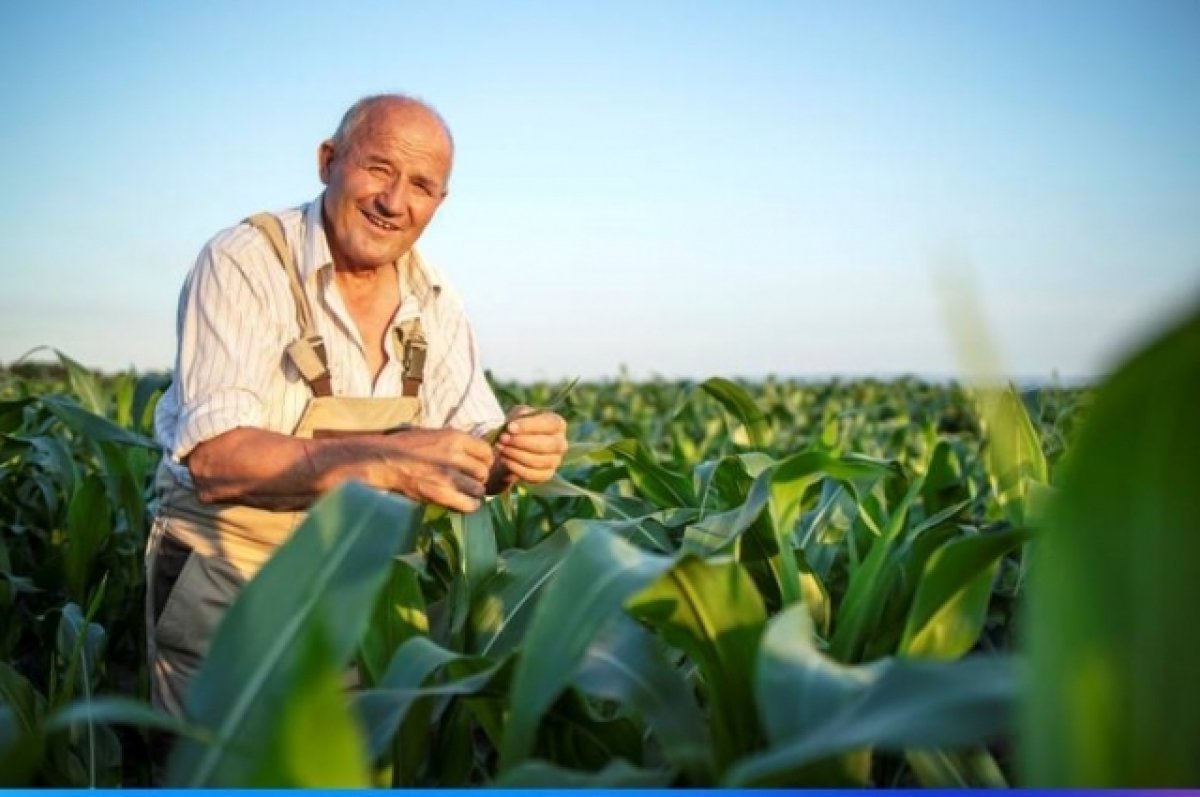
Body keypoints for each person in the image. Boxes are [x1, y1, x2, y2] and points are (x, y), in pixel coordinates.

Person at [144, 94, 568, 720]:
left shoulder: (435, 300)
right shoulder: (246, 261)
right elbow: (217, 460)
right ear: (328, 161)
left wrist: (515, 453)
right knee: (219, 768)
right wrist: (389, 460)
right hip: (227, 579)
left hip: (358, 587)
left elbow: (473, 442)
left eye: (421, 185)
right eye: (378, 169)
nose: (394, 201)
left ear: (438, 204)